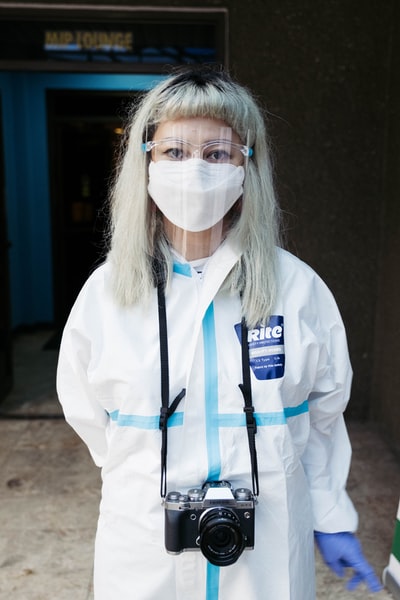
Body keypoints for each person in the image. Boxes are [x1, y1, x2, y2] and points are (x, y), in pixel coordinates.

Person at [57, 66, 382, 599]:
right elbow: (86, 412)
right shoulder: (106, 293)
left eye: (217, 154)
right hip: (143, 539)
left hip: (269, 540)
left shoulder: (296, 288)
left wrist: (329, 513)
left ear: (246, 167)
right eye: (175, 153)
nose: (195, 170)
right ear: (146, 162)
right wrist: (142, 464)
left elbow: (324, 414)